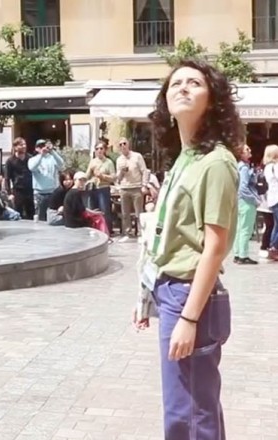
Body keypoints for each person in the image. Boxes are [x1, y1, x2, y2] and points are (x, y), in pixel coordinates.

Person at [136, 59, 240, 439]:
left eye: (194, 83)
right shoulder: (185, 157)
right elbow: (166, 234)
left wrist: (190, 318)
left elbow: (215, 247)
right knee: (186, 408)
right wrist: (149, 295)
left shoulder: (216, 161)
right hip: (171, 292)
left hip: (191, 296)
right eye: (175, 83)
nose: (182, 87)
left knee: (190, 414)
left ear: (211, 100)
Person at [232, 144, 260, 265]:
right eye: (246, 150)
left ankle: (237, 253)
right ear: (241, 153)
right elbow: (243, 187)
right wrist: (255, 200)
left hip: (239, 201)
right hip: (246, 201)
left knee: (239, 228)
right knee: (246, 229)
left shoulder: (238, 166)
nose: (250, 151)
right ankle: (243, 255)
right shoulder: (244, 168)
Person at [115, 138, 149, 238]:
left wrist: (144, 185)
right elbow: (118, 177)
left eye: (124, 143)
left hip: (137, 187)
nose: (123, 146)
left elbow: (144, 171)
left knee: (139, 213)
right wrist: (121, 172)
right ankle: (127, 232)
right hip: (124, 188)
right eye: (120, 145)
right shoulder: (119, 160)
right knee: (125, 214)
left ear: (128, 144)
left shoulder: (137, 156)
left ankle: (141, 232)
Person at [28, 140, 65, 222]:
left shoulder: (52, 158)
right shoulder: (33, 159)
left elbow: (61, 164)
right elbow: (32, 167)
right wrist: (41, 155)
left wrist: (52, 151)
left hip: (52, 192)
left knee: (52, 217)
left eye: (45, 146)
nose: (43, 148)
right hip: (39, 194)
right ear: (36, 149)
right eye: (40, 146)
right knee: (40, 218)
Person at [85, 140, 116, 233]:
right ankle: (95, 230)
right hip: (93, 188)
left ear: (105, 150)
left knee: (104, 211)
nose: (99, 150)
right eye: (97, 148)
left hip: (103, 188)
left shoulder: (109, 162)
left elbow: (113, 178)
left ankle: (107, 231)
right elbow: (87, 176)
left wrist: (102, 176)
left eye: (101, 148)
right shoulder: (93, 162)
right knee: (93, 210)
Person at [4, 137, 35, 220]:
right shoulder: (10, 161)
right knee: (18, 212)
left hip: (30, 189)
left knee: (31, 212)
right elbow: (7, 178)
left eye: (25, 144)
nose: (24, 146)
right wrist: (9, 193)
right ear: (15, 147)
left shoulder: (30, 158)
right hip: (18, 190)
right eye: (21, 145)